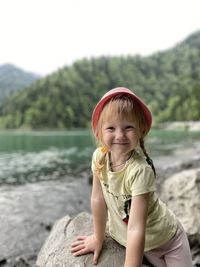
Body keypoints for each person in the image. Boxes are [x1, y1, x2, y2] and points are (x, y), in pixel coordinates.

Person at [71, 87, 193, 267]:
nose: (119, 135)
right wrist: (98, 237)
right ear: (98, 132)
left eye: (128, 127)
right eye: (111, 128)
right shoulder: (99, 158)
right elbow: (98, 199)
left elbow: (136, 228)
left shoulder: (140, 170)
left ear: (141, 130)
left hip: (168, 242)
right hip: (143, 247)